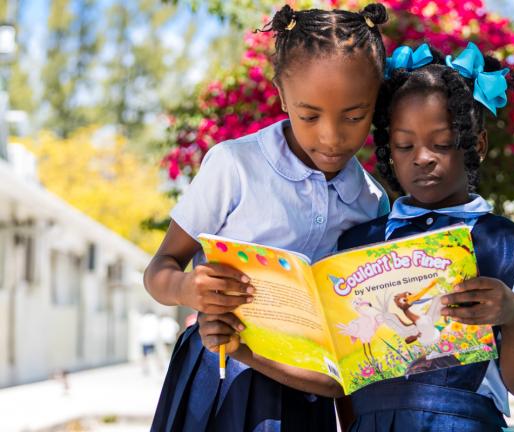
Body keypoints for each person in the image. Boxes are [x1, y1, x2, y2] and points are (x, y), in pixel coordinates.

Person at [143, 4, 391, 431]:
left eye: (354, 116)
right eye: (309, 115)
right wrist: (187, 287)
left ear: (376, 101)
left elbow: (356, 346)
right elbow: (159, 270)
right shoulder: (234, 166)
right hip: (219, 375)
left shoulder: (372, 202)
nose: (331, 137)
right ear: (281, 95)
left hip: (308, 389)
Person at [335, 43, 514, 431]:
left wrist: (511, 314)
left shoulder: (508, 245)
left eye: (441, 144)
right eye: (404, 146)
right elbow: (344, 375)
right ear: (389, 153)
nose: (422, 157)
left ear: (478, 145)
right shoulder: (357, 243)